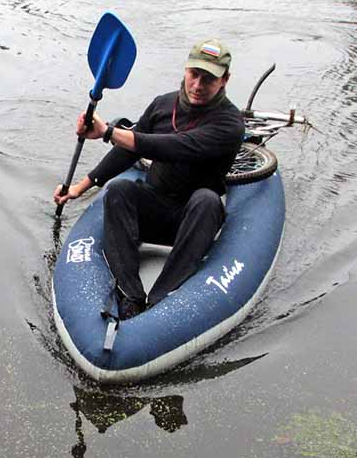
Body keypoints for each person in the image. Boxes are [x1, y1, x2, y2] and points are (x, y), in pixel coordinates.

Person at [54, 39, 245, 320]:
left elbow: (172, 146)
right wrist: (78, 188)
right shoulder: (162, 105)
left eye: (209, 79)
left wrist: (107, 131)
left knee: (206, 200)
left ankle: (162, 298)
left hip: (193, 222)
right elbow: (127, 153)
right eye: (194, 74)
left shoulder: (229, 124)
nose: (198, 85)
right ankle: (130, 294)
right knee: (119, 190)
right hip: (154, 209)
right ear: (186, 70)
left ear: (224, 81)